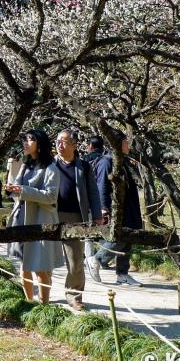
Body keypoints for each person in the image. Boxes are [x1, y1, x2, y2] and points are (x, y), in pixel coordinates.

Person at [5, 129, 64, 303]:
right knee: (24, 267)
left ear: (40, 144)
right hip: (22, 220)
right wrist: (12, 189)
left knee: (41, 268)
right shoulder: (26, 165)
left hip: (41, 221)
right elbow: (18, 189)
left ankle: (43, 305)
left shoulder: (51, 168)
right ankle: (29, 302)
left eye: (30, 140)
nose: (26, 143)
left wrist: (24, 191)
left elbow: (51, 196)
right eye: (25, 140)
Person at [53, 129, 104, 310]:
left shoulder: (83, 166)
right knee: (42, 258)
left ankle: (74, 296)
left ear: (74, 145)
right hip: (50, 216)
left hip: (75, 218)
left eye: (64, 141)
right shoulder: (50, 165)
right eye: (58, 141)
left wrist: (97, 215)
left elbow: (93, 192)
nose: (60, 145)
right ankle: (40, 294)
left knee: (75, 262)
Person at [87, 132, 144, 286]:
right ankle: (97, 259)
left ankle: (122, 274)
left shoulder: (122, 161)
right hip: (116, 208)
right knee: (120, 237)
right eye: (126, 141)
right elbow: (102, 186)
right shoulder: (106, 161)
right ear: (117, 143)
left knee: (129, 237)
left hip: (129, 207)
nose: (128, 145)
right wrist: (104, 208)